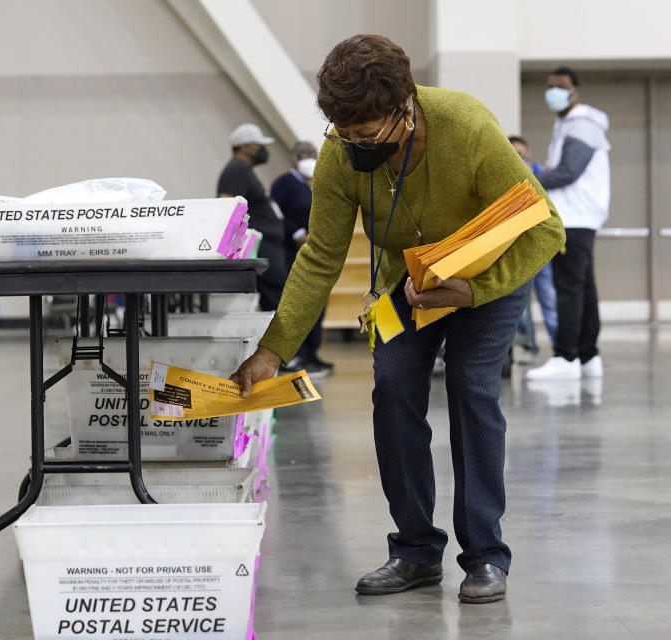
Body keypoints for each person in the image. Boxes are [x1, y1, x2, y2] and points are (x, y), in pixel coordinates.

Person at [230, 34, 565, 604]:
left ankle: (485, 556)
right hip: (407, 286)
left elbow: (545, 227)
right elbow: (320, 256)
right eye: (344, 133)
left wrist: (474, 289)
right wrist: (272, 349)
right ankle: (414, 550)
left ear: (405, 109)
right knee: (391, 387)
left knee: (471, 387)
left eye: (366, 135)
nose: (352, 145)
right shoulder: (341, 154)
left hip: (484, 281)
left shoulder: (467, 126)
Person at [526, 66, 609, 381]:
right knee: (584, 286)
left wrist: (527, 177)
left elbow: (567, 173)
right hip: (580, 216)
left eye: (559, 86)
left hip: (574, 217)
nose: (553, 92)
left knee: (569, 287)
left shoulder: (581, 126)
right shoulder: (568, 124)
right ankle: (588, 355)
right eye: (549, 86)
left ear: (576, 90)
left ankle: (566, 356)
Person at [270, 142, 332, 376]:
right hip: (289, 253)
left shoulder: (318, 181)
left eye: (312, 154)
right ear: (293, 157)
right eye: (303, 155)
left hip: (316, 253)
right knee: (294, 303)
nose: (308, 158)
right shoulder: (284, 183)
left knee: (317, 303)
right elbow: (275, 215)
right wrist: (296, 233)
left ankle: (311, 353)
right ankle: (291, 355)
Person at [217, 124, 288, 313]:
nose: (263, 150)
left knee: (277, 297)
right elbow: (227, 207)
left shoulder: (244, 170)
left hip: (268, 245)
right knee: (277, 299)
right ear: (244, 147)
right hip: (260, 246)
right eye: (259, 145)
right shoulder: (236, 170)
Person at [509, 136, 558, 350]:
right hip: (517, 250)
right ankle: (530, 343)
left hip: (542, 250)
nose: (519, 158)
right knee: (519, 305)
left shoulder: (541, 174)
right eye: (514, 154)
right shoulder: (504, 176)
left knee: (549, 298)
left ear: (528, 154)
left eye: (522, 154)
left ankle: (560, 347)